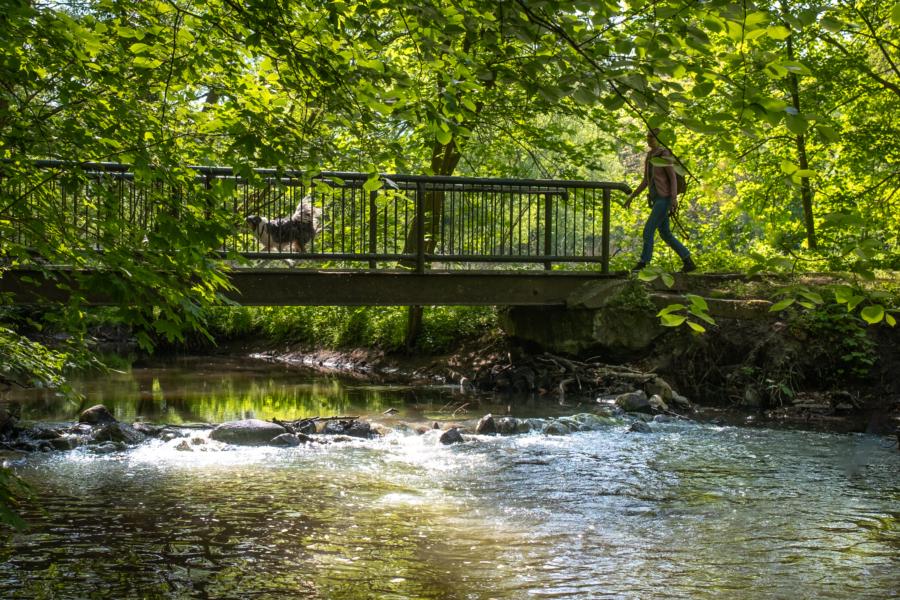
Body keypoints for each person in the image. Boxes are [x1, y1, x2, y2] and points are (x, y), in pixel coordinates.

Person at [623, 128, 696, 273]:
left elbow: (673, 178)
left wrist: (673, 198)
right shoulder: (650, 155)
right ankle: (688, 261)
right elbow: (646, 181)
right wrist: (632, 197)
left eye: (652, 137)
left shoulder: (664, 154)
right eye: (647, 137)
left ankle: (644, 263)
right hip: (657, 200)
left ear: (658, 138)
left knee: (648, 230)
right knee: (665, 233)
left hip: (665, 199)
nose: (649, 139)